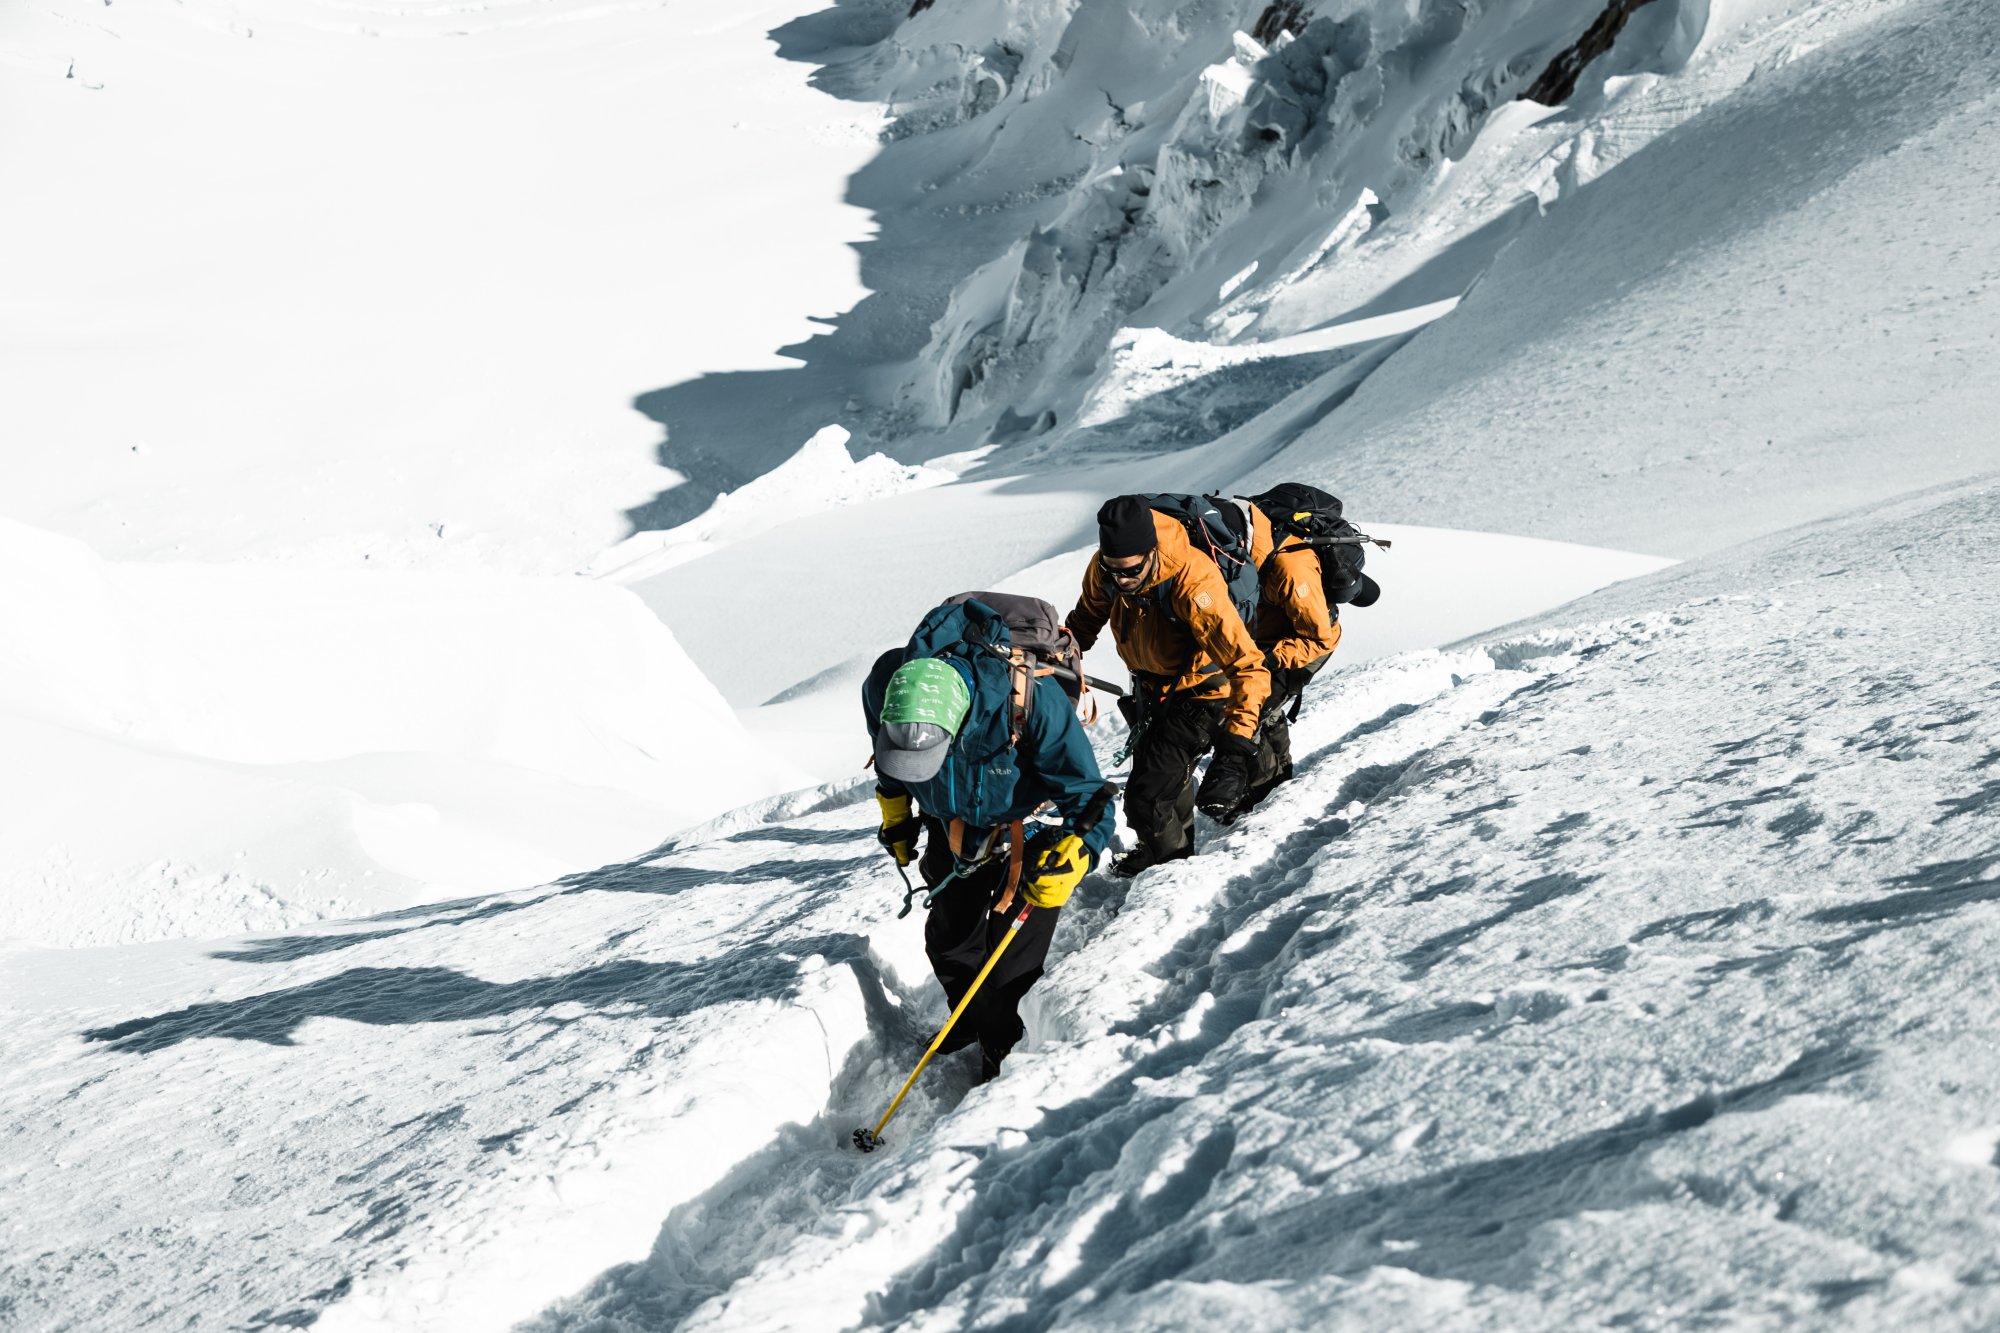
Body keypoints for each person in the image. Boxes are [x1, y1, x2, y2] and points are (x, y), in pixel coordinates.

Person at [863, 597, 1117, 1083]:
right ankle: (971, 1021)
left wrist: (1078, 852)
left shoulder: (1030, 701)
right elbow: (892, 762)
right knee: (949, 944)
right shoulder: (885, 686)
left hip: (1033, 835)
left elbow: (1090, 794)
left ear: (958, 725)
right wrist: (895, 814)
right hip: (952, 829)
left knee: (1008, 974)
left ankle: (1001, 1061)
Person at [1065, 495, 1269, 876]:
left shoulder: (1195, 583)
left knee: (1146, 798)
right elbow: (1086, 618)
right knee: (1166, 782)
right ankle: (1173, 851)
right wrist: (1055, 659)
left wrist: (1235, 749)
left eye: (1130, 571)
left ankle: (1170, 872)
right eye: (1113, 572)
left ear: (1151, 551)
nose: (1120, 581)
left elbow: (1248, 667)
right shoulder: (1107, 569)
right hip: (1150, 688)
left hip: (1202, 693)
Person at [1239, 501, 1343, 810]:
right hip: (1268, 642)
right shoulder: (1245, 557)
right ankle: (1279, 782)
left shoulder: (1290, 568)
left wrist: (1271, 659)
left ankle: (1264, 795)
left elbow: (1318, 636)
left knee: (1250, 710)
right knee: (1265, 709)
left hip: (1303, 646)